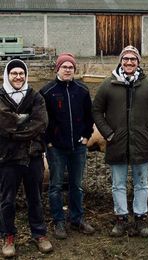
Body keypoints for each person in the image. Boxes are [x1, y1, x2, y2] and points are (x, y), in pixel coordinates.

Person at [93, 45, 148, 237]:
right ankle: (121, 218)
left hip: (142, 143)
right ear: (121, 62)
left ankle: (140, 219)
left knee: (142, 183)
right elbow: (96, 111)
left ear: (138, 62)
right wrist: (108, 133)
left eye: (133, 59)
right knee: (118, 183)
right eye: (126, 59)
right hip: (117, 143)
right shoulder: (109, 84)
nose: (129, 62)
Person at [0, 59, 53, 258]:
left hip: (33, 156)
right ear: (7, 75)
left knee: (36, 198)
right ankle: (8, 236)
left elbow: (40, 122)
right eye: (14, 73)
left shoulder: (35, 96)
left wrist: (15, 129)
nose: (18, 77)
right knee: (7, 200)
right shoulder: (1, 95)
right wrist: (22, 123)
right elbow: (2, 124)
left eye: (21, 73)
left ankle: (39, 234)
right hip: (7, 158)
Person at [40, 53, 95, 239]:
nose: (68, 70)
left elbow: (90, 116)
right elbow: (42, 120)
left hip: (78, 147)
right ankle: (59, 221)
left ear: (74, 69)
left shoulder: (82, 90)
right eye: (64, 66)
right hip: (56, 148)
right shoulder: (47, 92)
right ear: (57, 68)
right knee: (55, 185)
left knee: (76, 185)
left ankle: (76, 218)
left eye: (71, 67)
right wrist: (48, 141)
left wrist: (87, 137)